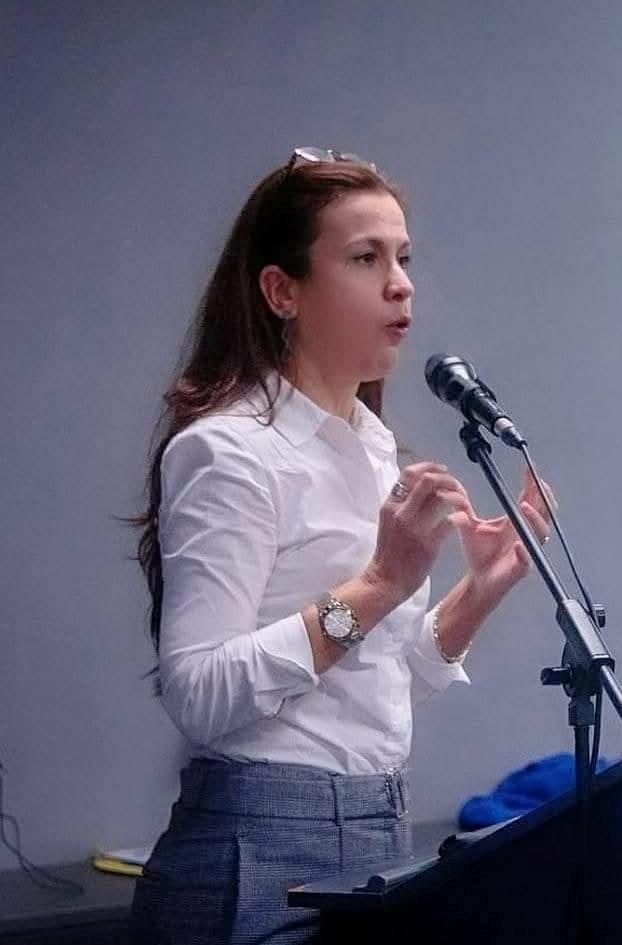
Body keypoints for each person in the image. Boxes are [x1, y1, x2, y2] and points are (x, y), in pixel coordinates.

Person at [130, 147, 553, 945]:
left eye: (403, 257)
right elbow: (198, 692)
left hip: (377, 836)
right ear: (281, 291)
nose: (401, 283)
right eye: (366, 258)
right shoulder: (227, 452)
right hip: (256, 851)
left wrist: (476, 594)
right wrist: (382, 583)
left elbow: (369, 686)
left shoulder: (374, 449)